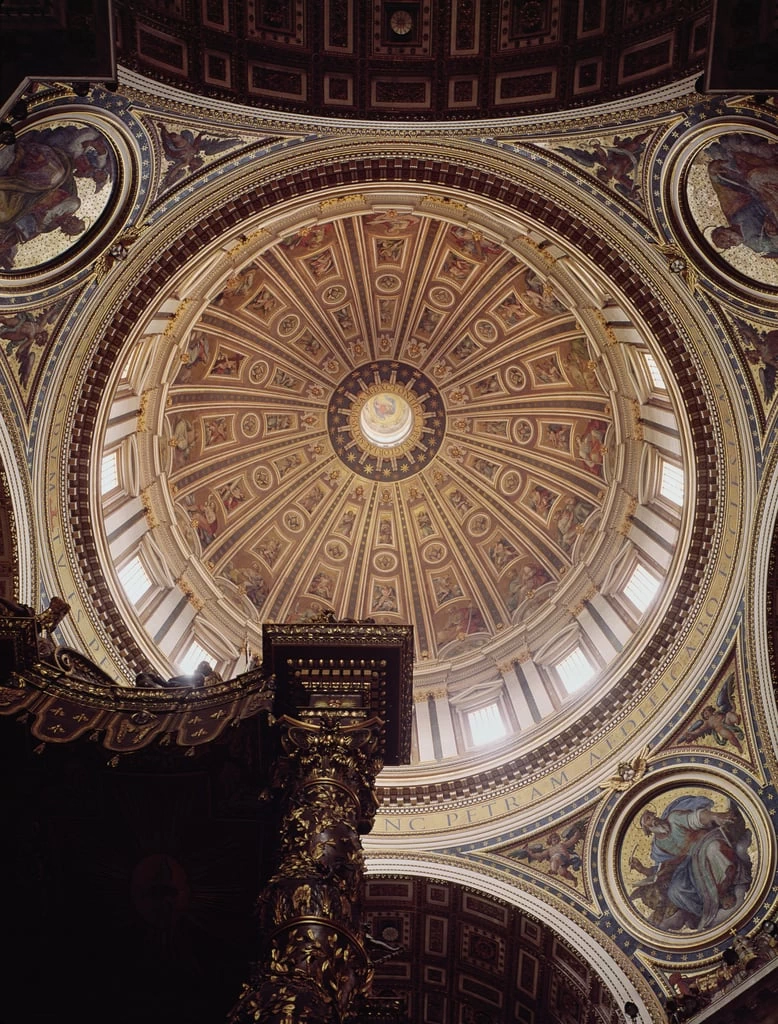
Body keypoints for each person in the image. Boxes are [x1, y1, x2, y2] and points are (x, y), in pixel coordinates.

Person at [629, 796, 752, 931]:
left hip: (706, 840)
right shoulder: (658, 845)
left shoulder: (673, 818)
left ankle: (725, 891)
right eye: (647, 820)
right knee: (675, 891)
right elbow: (662, 867)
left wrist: (715, 816)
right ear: (647, 829)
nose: (652, 820)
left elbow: (696, 818)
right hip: (690, 861)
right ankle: (706, 910)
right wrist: (641, 868)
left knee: (713, 850)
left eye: (650, 816)